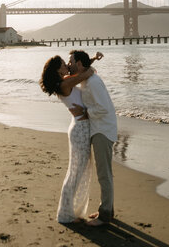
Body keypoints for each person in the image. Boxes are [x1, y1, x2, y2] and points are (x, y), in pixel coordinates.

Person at [39, 52, 103, 224]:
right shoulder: (64, 84)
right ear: (57, 70)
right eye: (62, 64)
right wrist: (89, 64)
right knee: (75, 173)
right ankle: (66, 215)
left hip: (80, 126)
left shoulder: (65, 80)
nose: (66, 65)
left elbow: (82, 71)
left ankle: (70, 212)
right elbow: (87, 73)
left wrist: (93, 59)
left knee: (78, 171)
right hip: (80, 129)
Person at [68, 49, 117, 227]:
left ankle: (105, 216)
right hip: (99, 128)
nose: (69, 65)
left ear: (79, 64)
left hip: (103, 130)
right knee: (105, 173)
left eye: (71, 61)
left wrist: (85, 112)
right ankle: (108, 209)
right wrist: (94, 58)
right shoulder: (86, 77)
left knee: (104, 174)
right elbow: (87, 65)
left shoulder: (93, 82)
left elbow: (104, 108)